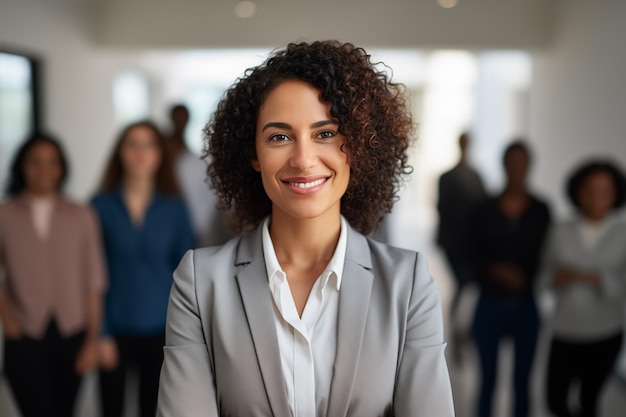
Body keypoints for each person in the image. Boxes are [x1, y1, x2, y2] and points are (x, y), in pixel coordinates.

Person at [156, 40, 455, 417]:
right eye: (279, 137)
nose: (303, 159)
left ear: (359, 144)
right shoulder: (200, 284)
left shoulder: (407, 284)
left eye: (325, 133)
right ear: (253, 154)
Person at [92, 121, 195, 417]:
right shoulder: (99, 206)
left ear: (160, 154)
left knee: (154, 408)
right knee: (110, 407)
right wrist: (99, 333)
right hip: (113, 328)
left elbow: (187, 273)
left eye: (149, 144)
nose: (141, 152)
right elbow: (90, 276)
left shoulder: (175, 208)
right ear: (120, 153)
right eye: (132, 144)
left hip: (162, 329)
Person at [0, 134, 106, 417]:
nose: (44, 170)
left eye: (52, 162)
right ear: (22, 166)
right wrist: (8, 322)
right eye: (35, 162)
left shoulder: (83, 215)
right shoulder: (5, 215)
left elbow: (93, 282)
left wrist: (92, 340)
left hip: (73, 333)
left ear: (62, 168)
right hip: (23, 334)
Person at [470, 141, 551, 417]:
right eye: (511, 162)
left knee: (522, 384)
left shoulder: (541, 210)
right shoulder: (485, 208)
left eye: (522, 162)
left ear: (529, 166)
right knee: (487, 382)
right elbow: (471, 253)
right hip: (489, 304)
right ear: (503, 165)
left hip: (526, 305)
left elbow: (547, 255)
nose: (517, 168)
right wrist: (494, 271)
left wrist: (525, 276)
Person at [542, 160, 626, 417]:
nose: (597, 198)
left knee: (589, 400)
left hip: (605, 331)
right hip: (565, 329)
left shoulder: (622, 233)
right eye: (590, 190)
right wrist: (557, 279)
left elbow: (621, 288)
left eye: (605, 191)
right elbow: (544, 278)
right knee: (555, 400)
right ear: (577, 192)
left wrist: (585, 276)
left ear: (616, 194)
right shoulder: (560, 230)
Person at [436, 131, 487, 362]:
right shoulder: (448, 177)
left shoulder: (476, 176)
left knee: (466, 288)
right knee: (462, 286)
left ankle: (462, 335)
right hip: (454, 244)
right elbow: (443, 210)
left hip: (471, 244)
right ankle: (456, 337)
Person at [165, 103, 234, 246]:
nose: (180, 122)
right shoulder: (162, 157)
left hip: (195, 232)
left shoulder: (196, 163)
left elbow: (208, 200)